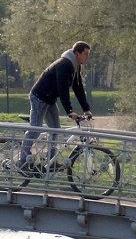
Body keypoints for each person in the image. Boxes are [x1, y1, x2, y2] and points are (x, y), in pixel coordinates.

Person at [20, 41, 93, 169]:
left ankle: (51, 161)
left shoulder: (75, 66)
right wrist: (69, 110)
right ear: (77, 53)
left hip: (49, 99)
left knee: (55, 130)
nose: (87, 57)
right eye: (85, 54)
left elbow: (78, 87)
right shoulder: (64, 65)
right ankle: (22, 162)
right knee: (35, 129)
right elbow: (62, 89)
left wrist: (86, 109)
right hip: (39, 97)